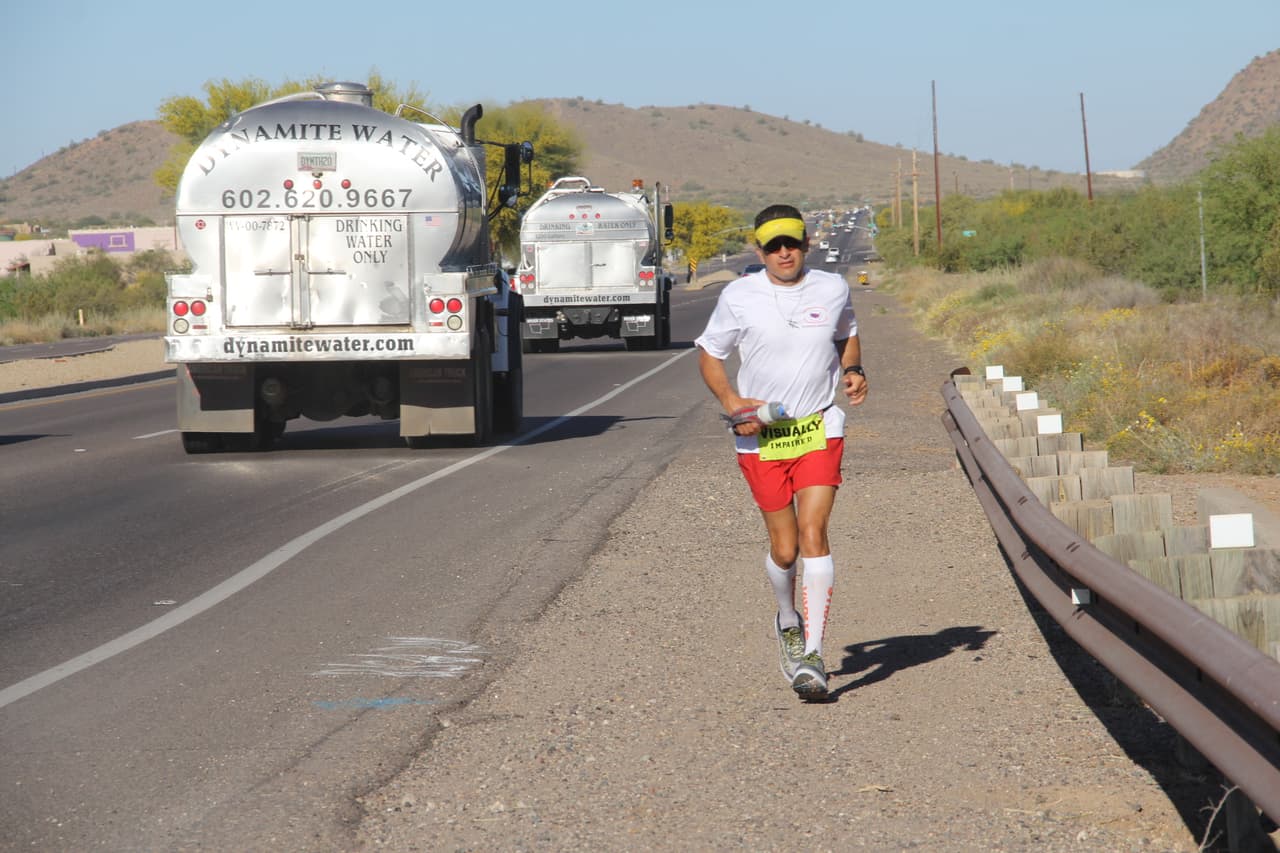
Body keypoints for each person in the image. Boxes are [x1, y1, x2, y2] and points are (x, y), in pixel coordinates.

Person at [695, 204, 868, 700]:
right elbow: (710, 352)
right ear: (759, 250)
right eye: (773, 246)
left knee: (815, 532)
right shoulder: (738, 295)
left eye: (791, 243)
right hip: (760, 435)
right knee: (785, 548)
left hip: (819, 427)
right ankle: (787, 618)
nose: (784, 253)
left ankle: (813, 656)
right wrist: (731, 401)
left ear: (806, 243)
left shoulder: (832, 288)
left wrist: (854, 370)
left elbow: (847, 334)